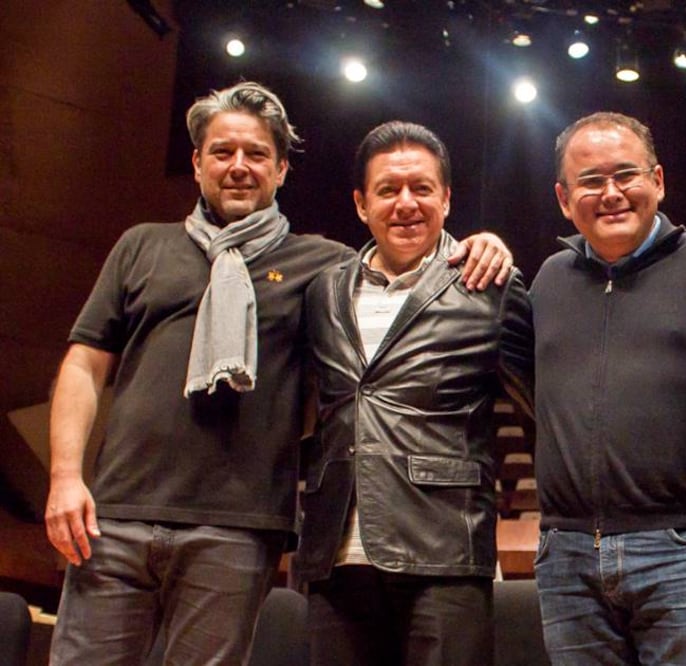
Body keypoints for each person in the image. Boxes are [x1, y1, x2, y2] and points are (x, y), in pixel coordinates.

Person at [44, 82, 511, 664]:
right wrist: (66, 476)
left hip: (238, 528)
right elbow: (84, 366)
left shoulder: (323, 266)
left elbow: (411, 268)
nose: (239, 166)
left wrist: (480, 243)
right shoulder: (141, 247)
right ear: (196, 163)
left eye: (258, 154)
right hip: (114, 517)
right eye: (222, 152)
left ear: (283, 169)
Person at [290, 120, 534, 666]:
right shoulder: (324, 291)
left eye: (422, 188)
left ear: (446, 198)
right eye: (388, 190)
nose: (406, 203)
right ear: (360, 204)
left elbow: (543, 412)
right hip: (335, 556)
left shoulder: (489, 285)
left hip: (445, 552)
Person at [530, 111, 686, 665]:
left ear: (658, 180)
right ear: (562, 197)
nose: (611, 194)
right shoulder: (549, 281)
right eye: (591, 181)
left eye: (625, 175)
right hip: (568, 556)